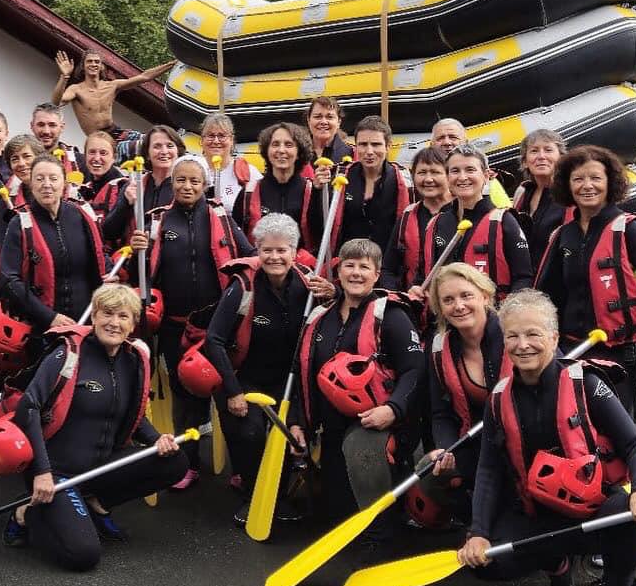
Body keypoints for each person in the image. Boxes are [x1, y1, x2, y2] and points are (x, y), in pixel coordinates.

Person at [456, 290, 636, 586]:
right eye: (513, 336)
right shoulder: (499, 400)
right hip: (539, 514)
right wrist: (479, 533)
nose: (522, 345)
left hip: (593, 511)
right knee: (482, 565)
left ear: (552, 337)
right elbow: (488, 470)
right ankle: (558, 565)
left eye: (533, 334)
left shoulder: (589, 386)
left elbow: (635, 445)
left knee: (630, 514)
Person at [1, 284, 186, 569]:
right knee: (83, 555)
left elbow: (134, 417)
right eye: (107, 314)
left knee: (174, 461)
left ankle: (95, 501)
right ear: (95, 316)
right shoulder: (67, 356)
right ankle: (26, 511)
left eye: (123, 316)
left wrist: (156, 439)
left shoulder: (133, 361)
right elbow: (29, 408)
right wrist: (41, 472)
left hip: (101, 468)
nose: (114, 323)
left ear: (133, 324)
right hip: (57, 473)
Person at [289, 238, 424, 562]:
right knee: (338, 511)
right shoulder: (319, 317)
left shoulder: (391, 315)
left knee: (360, 451)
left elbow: (415, 369)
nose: (356, 272)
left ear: (377, 275)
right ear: (339, 271)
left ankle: (382, 538)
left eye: (365, 266)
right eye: (349, 265)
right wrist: (298, 423)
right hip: (333, 428)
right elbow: (301, 374)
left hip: (378, 423)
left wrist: (393, 410)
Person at [128, 156, 254, 487]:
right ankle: (189, 465)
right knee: (186, 398)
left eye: (194, 181)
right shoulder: (156, 221)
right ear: (171, 184)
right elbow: (136, 275)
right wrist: (135, 250)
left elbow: (248, 255)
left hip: (218, 325)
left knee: (228, 394)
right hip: (175, 325)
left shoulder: (221, 216)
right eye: (180, 180)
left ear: (204, 185)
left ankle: (241, 467)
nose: (187, 186)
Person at [202, 213, 335, 525]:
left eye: (282, 250)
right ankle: (253, 493)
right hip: (244, 379)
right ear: (257, 251)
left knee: (290, 437)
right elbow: (214, 340)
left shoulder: (307, 283)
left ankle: (278, 495)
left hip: (288, 383)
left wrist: (335, 294)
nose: (275, 257)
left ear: (294, 251)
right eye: (267, 250)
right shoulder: (242, 287)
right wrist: (233, 392)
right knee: (249, 434)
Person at [536, 144, 636, 417]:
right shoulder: (564, 235)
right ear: (567, 185)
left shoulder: (630, 229)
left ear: (610, 182)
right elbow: (545, 297)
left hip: (618, 351)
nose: (587, 186)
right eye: (578, 179)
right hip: (572, 349)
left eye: (595, 178)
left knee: (613, 434)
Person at [407, 263, 508, 528]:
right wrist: (445, 448)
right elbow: (440, 413)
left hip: (521, 443)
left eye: (466, 296)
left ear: (484, 297)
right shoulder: (439, 348)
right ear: (440, 309)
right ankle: (475, 520)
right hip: (474, 444)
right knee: (428, 472)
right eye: (448, 300)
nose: (459, 306)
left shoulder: (515, 335)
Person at [0, 155, 107, 351]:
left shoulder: (81, 216)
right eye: (39, 178)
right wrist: (49, 317)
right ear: (31, 183)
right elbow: (9, 280)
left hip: (86, 322)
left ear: (64, 183)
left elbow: (101, 259)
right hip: (42, 328)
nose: (46, 184)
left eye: (53, 178)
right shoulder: (19, 223)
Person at [411, 145, 531, 303]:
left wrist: (506, 317)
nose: (462, 177)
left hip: (492, 319)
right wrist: (417, 288)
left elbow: (523, 279)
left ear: (486, 176)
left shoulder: (504, 221)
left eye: (470, 170)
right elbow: (422, 277)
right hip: (443, 320)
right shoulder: (436, 223)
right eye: (455, 171)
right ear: (447, 177)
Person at [52, 49, 172, 161]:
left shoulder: (111, 86)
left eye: (96, 62)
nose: (93, 64)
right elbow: (56, 102)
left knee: (156, 139)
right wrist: (64, 76)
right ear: (83, 66)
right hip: (100, 139)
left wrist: (173, 64)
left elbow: (144, 77)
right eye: (89, 61)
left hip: (116, 132)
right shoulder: (76, 89)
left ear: (101, 66)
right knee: (139, 147)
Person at [233, 122, 323, 251]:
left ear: (299, 152)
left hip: (303, 268)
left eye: (288, 145)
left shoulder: (312, 191)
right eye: (275, 144)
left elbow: (322, 236)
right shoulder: (248, 193)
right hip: (259, 267)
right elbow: (237, 238)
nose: (281, 150)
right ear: (267, 151)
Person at [332, 115, 412, 253]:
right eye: (363, 144)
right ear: (356, 146)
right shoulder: (340, 175)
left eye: (376, 144)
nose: (369, 151)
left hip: (386, 264)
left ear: (388, 146)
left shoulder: (403, 180)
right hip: (347, 262)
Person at [381, 148, 451, 290]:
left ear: (449, 175)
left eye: (435, 172)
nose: (428, 179)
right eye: (422, 173)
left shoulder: (462, 214)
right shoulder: (407, 217)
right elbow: (388, 269)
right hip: (414, 302)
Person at [101, 125, 184, 245]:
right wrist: (125, 203)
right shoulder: (134, 185)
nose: (164, 151)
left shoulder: (185, 188)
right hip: (134, 259)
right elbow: (109, 233)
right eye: (157, 146)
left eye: (170, 145)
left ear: (178, 151)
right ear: (147, 154)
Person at [511, 129, 569, 269]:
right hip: (526, 278)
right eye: (534, 151)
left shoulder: (571, 194)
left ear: (561, 158)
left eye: (548, 150)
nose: (541, 156)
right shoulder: (522, 193)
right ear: (525, 162)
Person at [429, 117, 511, 207]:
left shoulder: (487, 179)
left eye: (453, 137)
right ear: (431, 145)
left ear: (466, 142)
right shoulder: (422, 181)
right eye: (440, 138)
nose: (447, 142)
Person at [191, 113, 260, 213]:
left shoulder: (249, 172)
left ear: (231, 140)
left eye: (222, 136)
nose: (216, 141)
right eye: (210, 136)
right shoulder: (191, 170)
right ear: (202, 140)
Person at [78, 131, 128, 226]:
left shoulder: (123, 187)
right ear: (85, 155)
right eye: (92, 152)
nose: (97, 158)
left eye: (103, 153)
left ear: (114, 157)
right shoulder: (82, 186)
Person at [0, 133, 43, 221]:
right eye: (15, 159)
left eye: (27, 156)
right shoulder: (7, 200)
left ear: (40, 158)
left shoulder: (58, 191)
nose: (21, 163)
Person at [29, 102, 83, 177]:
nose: (46, 131)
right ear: (32, 126)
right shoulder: (21, 161)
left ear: (62, 127)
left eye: (52, 125)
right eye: (41, 125)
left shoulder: (80, 162)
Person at [305, 95, 354, 164]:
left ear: (339, 122)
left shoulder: (352, 153)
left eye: (330, 117)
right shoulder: (297, 153)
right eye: (318, 117)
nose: (323, 122)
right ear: (308, 120)